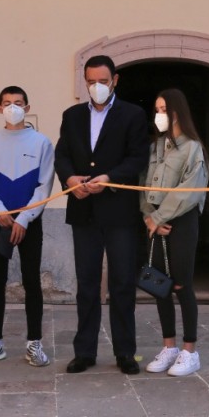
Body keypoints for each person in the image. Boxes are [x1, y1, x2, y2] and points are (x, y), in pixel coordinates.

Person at [54, 54, 149, 375]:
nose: (97, 87)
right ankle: (85, 352)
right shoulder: (72, 115)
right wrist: (70, 180)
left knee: (122, 283)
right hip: (83, 211)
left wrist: (109, 178)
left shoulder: (133, 115)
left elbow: (137, 158)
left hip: (120, 212)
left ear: (115, 81)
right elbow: (62, 154)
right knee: (87, 284)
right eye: (91, 82)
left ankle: (125, 352)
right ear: (85, 82)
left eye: (103, 82)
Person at [0, 86, 55, 368]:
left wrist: (24, 219)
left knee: (32, 281)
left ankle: (34, 343)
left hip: (29, 222)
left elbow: (45, 186)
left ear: (27, 107)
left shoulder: (41, 143)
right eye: (6, 103)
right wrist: (0, 213)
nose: (12, 107)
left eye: (18, 103)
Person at [140, 89, 209, 376]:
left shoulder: (193, 147)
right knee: (161, 286)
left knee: (182, 285)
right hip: (154, 223)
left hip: (181, 221)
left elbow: (189, 192)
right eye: (156, 109)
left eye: (163, 109)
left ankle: (190, 351)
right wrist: (148, 216)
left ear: (176, 112)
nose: (158, 115)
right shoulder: (155, 147)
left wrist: (158, 217)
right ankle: (169, 347)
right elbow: (143, 182)